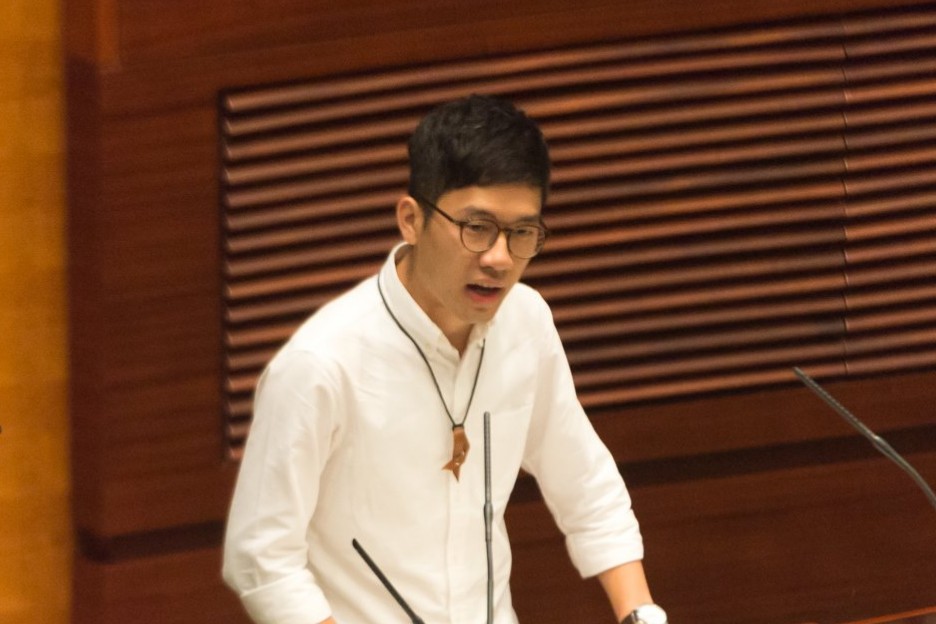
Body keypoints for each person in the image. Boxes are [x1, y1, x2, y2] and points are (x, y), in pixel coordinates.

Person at [222, 94, 666, 624]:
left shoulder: (525, 322)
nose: (499, 258)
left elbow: (585, 484)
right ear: (411, 220)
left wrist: (640, 614)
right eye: (476, 228)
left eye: (522, 233)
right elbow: (261, 557)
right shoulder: (320, 365)